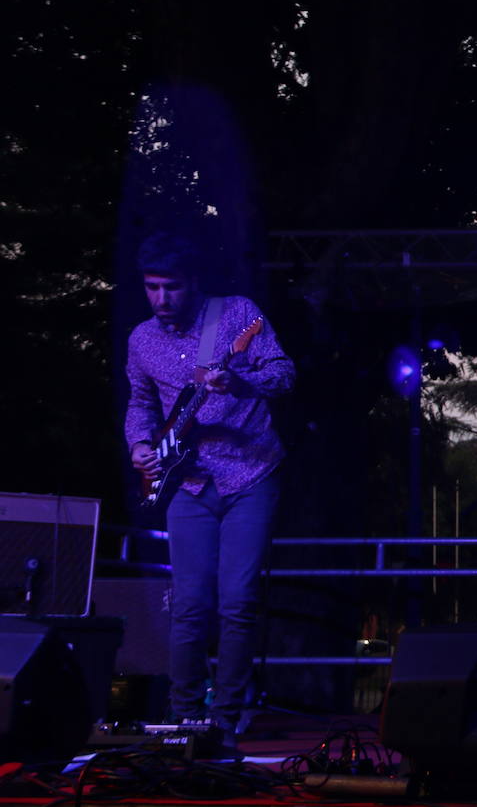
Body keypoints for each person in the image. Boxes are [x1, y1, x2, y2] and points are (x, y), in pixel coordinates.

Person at [125, 233, 295, 746]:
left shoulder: (237, 314)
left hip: (250, 472)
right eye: (152, 288)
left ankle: (225, 719)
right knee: (189, 604)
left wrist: (241, 383)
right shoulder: (142, 340)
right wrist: (138, 444)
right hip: (187, 481)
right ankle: (182, 721)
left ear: (193, 283)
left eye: (171, 287)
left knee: (238, 600)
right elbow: (141, 402)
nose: (161, 299)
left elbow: (284, 374)